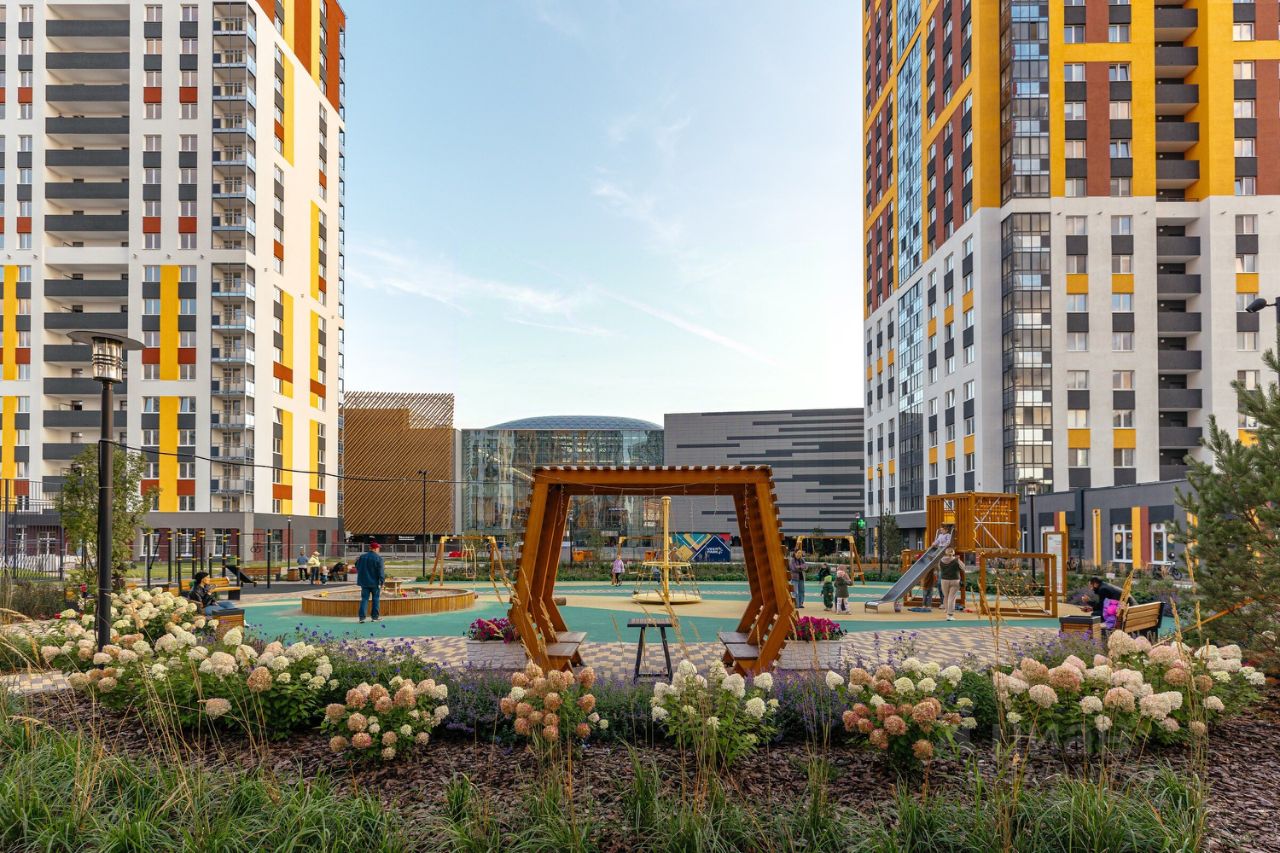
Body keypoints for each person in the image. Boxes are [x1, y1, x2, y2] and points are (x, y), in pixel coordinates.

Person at [355, 541, 386, 623]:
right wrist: (382, 582)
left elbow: (357, 566)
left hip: (364, 582)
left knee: (364, 599)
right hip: (375, 582)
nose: (379, 550)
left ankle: (362, 618)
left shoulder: (362, 557)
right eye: (378, 548)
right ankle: (375, 617)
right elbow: (381, 572)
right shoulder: (378, 558)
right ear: (375, 549)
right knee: (375, 599)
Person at [938, 548, 965, 621]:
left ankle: (947, 610)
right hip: (955, 580)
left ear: (946, 553)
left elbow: (940, 568)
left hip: (944, 580)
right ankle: (950, 615)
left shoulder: (941, 560)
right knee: (951, 597)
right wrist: (958, 560)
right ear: (953, 553)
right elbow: (963, 567)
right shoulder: (956, 560)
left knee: (946, 596)